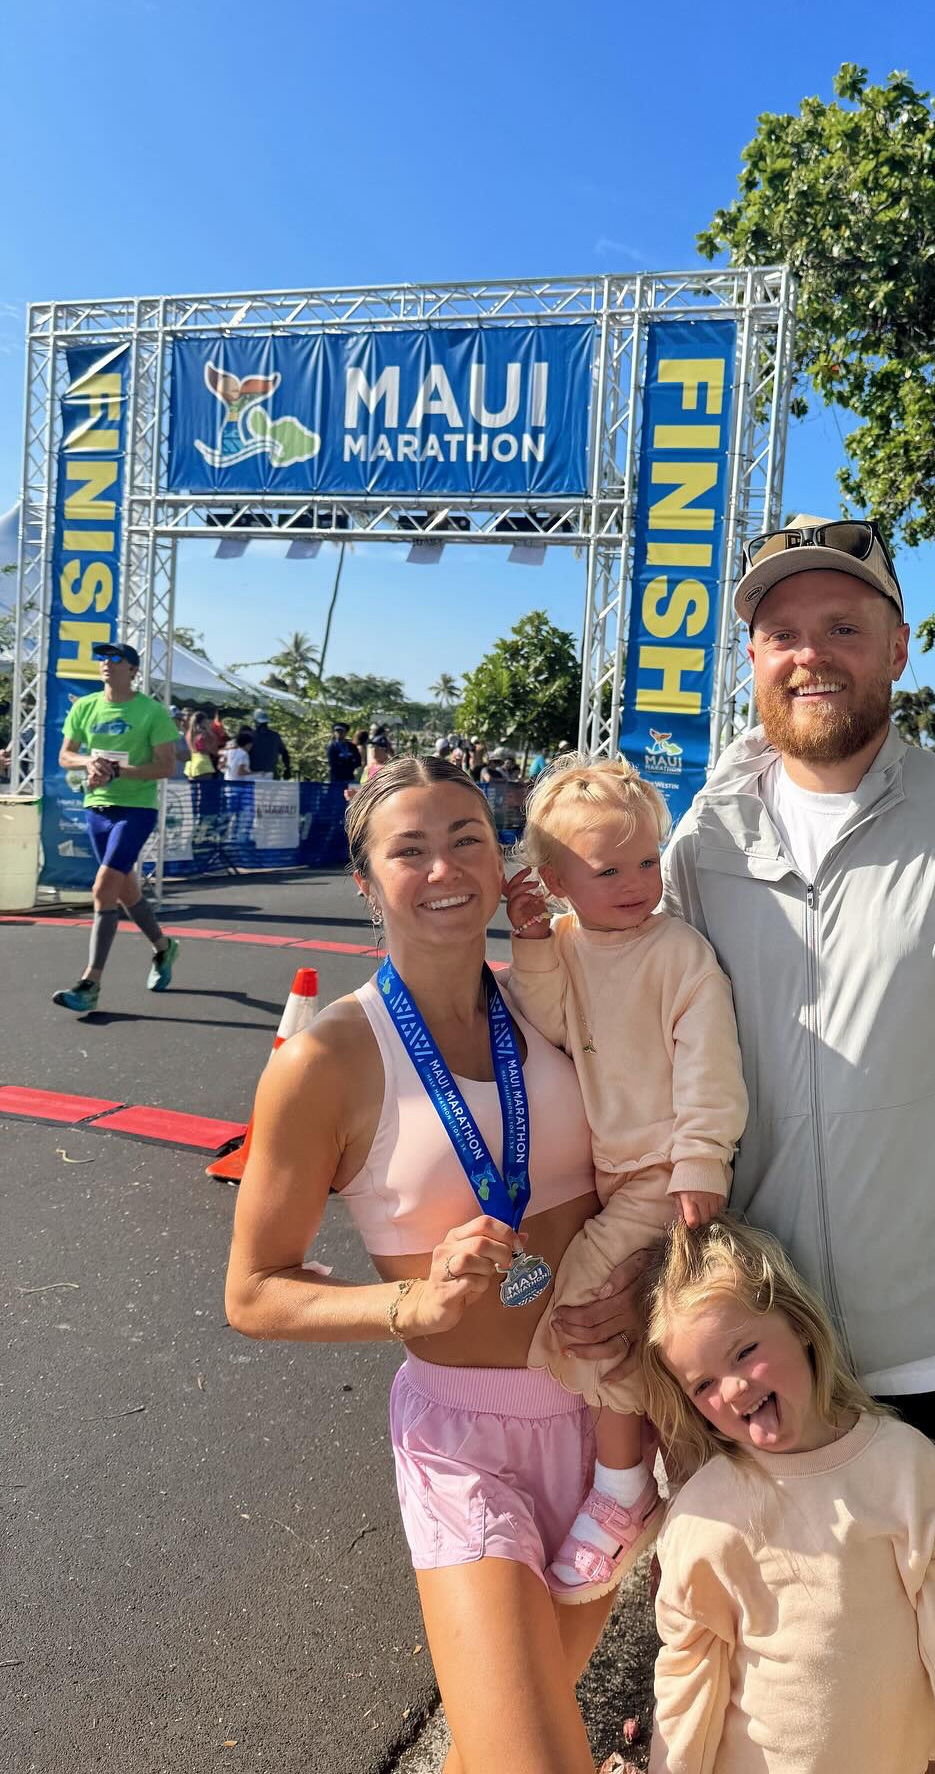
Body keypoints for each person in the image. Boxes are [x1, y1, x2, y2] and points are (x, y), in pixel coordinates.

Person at [555, 516, 935, 1661]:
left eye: (843, 627)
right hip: (746, 1362)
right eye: (782, 633)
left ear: (900, 647)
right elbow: (629, 1059)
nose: (812, 653)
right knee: (773, 1687)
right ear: (753, 660)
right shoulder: (701, 843)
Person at [224, 758, 619, 1774]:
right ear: (366, 881)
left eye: (468, 838)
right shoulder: (326, 1060)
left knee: (496, 1751)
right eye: (410, 849)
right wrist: (415, 1301)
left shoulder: (555, 1002)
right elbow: (254, 1293)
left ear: (502, 862)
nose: (444, 866)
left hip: (610, 1419)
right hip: (466, 1441)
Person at [640, 1216, 935, 1774]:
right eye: (702, 1385)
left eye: (745, 1351)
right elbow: (687, 1686)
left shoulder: (909, 1472)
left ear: (798, 1324)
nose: (734, 1388)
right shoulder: (704, 1517)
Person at [502, 757, 746, 1602]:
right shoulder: (567, 944)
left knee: (587, 1306)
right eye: (609, 871)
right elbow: (552, 1023)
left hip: (658, 1173)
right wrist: (531, 942)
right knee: (644, 1329)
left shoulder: (680, 952)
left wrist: (701, 1160)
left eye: (649, 860)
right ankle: (674, 1471)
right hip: (608, 1170)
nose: (638, 883)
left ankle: (619, 1494)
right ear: (557, 881)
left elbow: (710, 1064)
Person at [52, 643, 180, 1013]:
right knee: (124, 890)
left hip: (136, 809)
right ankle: (163, 947)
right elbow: (65, 755)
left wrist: (119, 770)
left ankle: (90, 982)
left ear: (133, 670)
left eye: (115, 659)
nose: (106, 664)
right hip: (97, 808)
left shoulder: (151, 711)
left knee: (103, 886)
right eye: (102, 659)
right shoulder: (84, 706)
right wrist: (90, 761)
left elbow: (165, 766)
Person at [247, 708, 291, 780]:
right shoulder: (275, 736)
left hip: (252, 775)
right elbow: (284, 753)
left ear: (256, 721)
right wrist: (287, 769)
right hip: (270, 775)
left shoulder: (251, 736)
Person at [327, 722, 363, 787]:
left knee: (354, 795)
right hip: (337, 779)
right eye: (337, 731)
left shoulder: (352, 747)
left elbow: (358, 761)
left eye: (341, 731)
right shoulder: (332, 747)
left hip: (351, 777)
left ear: (346, 732)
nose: (339, 733)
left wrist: (352, 767)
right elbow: (333, 763)